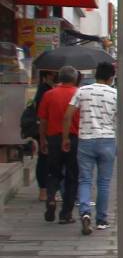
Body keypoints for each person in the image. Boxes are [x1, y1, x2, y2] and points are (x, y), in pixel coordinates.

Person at [65, 61, 118, 235]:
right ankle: (101, 220)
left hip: (85, 140)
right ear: (111, 77)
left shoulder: (82, 91)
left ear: (96, 75)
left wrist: (65, 137)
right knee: (103, 183)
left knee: (85, 180)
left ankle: (85, 212)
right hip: (107, 141)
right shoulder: (114, 93)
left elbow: (68, 115)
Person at [39, 66, 80, 224]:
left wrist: (43, 140)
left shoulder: (49, 94)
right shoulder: (79, 94)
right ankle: (66, 213)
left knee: (53, 172)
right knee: (72, 176)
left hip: (54, 138)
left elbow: (43, 120)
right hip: (74, 139)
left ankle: (50, 198)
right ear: (74, 79)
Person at [32, 70, 56, 202]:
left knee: (46, 160)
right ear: (47, 75)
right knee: (44, 160)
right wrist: (43, 137)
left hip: (47, 130)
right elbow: (42, 115)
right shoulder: (44, 90)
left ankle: (46, 190)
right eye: (53, 74)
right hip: (44, 130)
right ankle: (43, 190)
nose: (55, 76)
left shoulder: (47, 89)